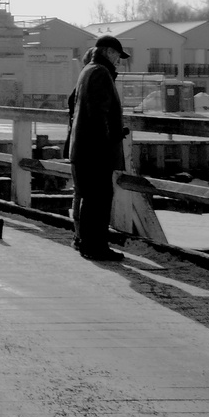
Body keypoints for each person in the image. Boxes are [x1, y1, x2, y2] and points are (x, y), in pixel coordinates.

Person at [69, 35, 129, 261]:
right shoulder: (101, 74)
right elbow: (98, 113)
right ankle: (96, 247)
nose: (118, 61)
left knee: (90, 199)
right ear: (108, 52)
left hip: (83, 147)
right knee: (100, 199)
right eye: (117, 55)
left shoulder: (87, 70)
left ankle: (86, 243)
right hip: (95, 150)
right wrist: (108, 139)